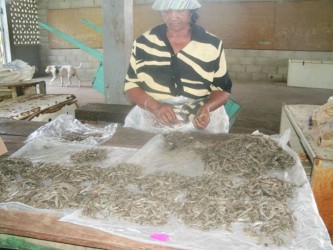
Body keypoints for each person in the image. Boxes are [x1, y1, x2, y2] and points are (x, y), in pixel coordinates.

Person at [123, 0, 232, 133]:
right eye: (167, 11)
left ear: (191, 11)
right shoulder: (143, 43)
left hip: (199, 122)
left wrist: (207, 108)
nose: (173, 17)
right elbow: (131, 86)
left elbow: (222, 89)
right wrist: (156, 107)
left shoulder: (212, 44)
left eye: (180, 11)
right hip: (152, 119)